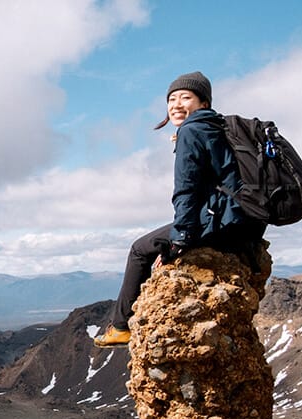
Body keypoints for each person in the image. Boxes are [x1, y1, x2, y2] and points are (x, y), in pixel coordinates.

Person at [93, 71, 266, 348]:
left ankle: (121, 327)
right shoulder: (215, 127)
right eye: (171, 99)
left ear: (204, 103)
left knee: (140, 249)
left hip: (221, 221)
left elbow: (186, 190)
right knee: (157, 243)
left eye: (186, 97)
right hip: (242, 222)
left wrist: (179, 242)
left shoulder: (192, 130)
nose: (176, 104)